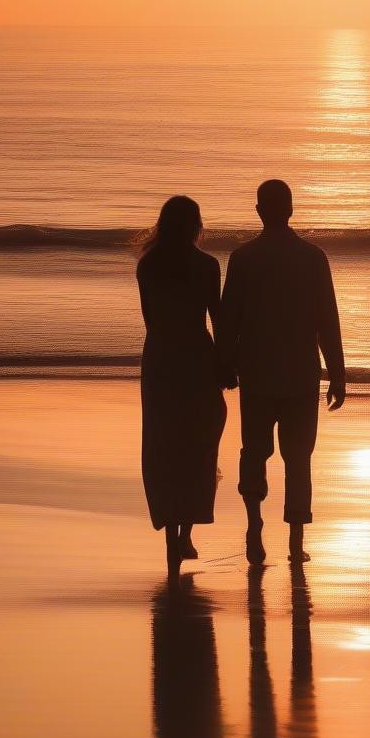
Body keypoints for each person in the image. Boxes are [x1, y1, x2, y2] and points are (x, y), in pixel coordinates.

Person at [217, 180, 346, 564]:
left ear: (259, 211)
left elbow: (228, 321)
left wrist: (224, 365)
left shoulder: (243, 258)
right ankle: (294, 538)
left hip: (256, 371)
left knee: (254, 451)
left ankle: (255, 523)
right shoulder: (312, 257)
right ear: (290, 210)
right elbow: (328, 321)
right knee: (298, 456)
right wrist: (337, 373)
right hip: (300, 373)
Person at [137, 195, 229, 575]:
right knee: (199, 443)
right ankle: (185, 532)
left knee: (163, 444)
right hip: (196, 355)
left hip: (160, 357)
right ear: (196, 225)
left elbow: (150, 320)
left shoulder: (148, 266)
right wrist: (228, 366)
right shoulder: (207, 266)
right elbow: (218, 320)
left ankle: (171, 533)